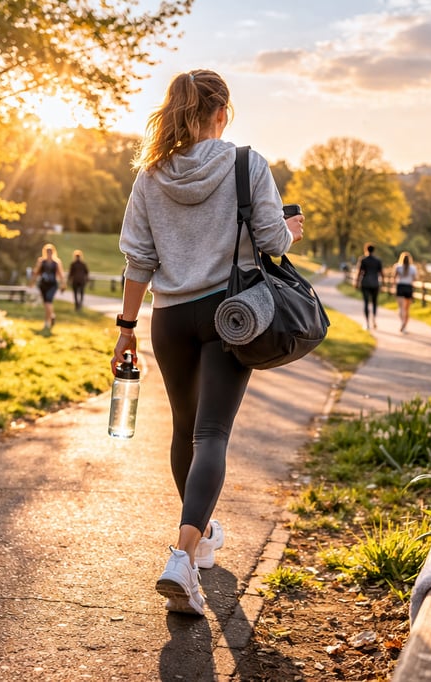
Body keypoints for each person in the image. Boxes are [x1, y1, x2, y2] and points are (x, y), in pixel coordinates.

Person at [113, 69, 304, 617]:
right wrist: (289, 230)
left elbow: (139, 260)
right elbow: (271, 241)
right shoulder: (247, 164)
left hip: (169, 318)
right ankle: (182, 555)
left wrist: (125, 330)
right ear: (221, 113)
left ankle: (198, 540)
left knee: (184, 432)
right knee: (212, 435)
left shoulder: (150, 176)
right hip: (231, 315)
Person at [32, 243, 65, 330]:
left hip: (52, 285)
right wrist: (32, 282)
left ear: (53, 252)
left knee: (48, 302)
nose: (49, 253)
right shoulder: (41, 261)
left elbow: (61, 274)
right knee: (46, 303)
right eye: (47, 251)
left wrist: (63, 284)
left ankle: (47, 322)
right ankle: (52, 316)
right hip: (43, 284)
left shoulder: (56, 263)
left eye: (50, 251)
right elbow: (36, 272)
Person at [355, 243, 383, 329]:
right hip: (375, 283)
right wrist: (382, 284)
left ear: (366, 249)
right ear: (373, 250)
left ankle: (367, 323)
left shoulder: (363, 260)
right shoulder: (378, 260)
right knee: (374, 302)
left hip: (366, 283)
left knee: (366, 303)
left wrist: (356, 282)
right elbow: (381, 273)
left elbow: (359, 272)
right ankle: (374, 319)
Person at [395, 250, 418, 333]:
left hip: (400, 287)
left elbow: (395, 278)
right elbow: (415, 278)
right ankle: (404, 326)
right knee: (407, 309)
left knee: (401, 308)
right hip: (408, 287)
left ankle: (402, 323)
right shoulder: (413, 268)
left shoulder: (398, 267)